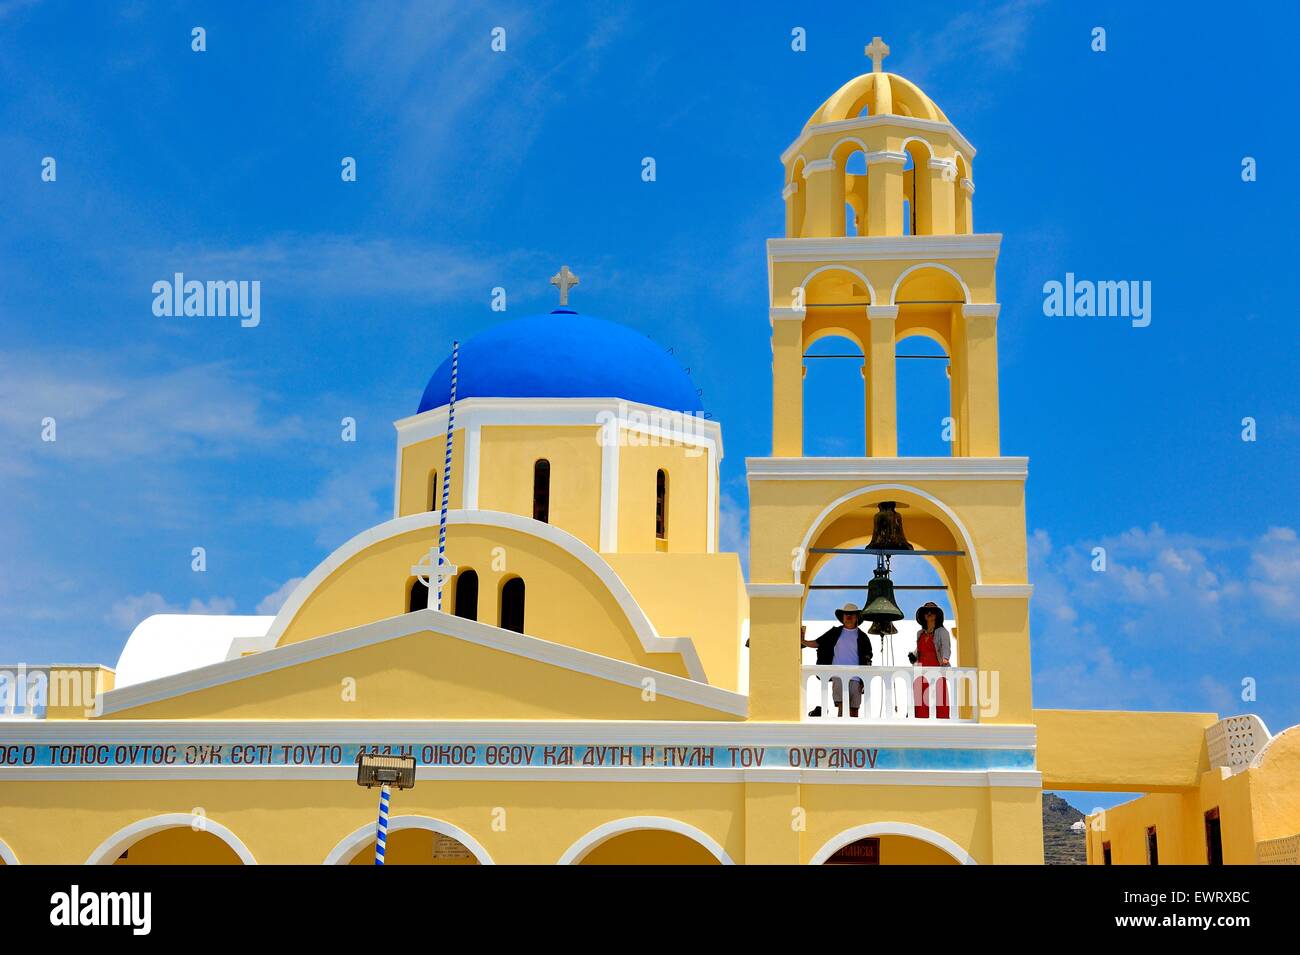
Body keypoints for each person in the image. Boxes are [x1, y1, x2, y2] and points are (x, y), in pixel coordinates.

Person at [808, 603, 873, 717]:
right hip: (838, 675)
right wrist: (802, 640)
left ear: (856, 617)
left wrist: (865, 680)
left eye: (851, 614)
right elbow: (818, 643)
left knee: (854, 710)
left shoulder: (862, 636)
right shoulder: (834, 632)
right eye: (846, 614)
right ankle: (844, 734)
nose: (848, 616)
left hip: (856, 678)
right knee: (842, 707)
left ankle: (852, 734)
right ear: (842, 617)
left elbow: (868, 657)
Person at [912, 601, 951, 719]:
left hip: (937, 670)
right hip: (922, 672)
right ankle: (921, 720)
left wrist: (945, 658)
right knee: (921, 699)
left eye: (932, 612)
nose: (929, 614)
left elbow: (945, 646)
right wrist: (913, 656)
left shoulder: (942, 632)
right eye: (926, 612)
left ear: (936, 615)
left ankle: (942, 721)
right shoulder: (920, 634)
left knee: (939, 697)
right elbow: (919, 649)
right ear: (923, 616)